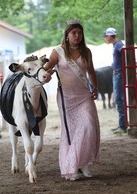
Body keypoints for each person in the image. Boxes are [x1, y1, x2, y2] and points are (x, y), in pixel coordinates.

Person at [45, 20, 100, 181]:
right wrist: (45, 76)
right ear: (67, 36)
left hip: (84, 96)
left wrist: (95, 88)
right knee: (71, 132)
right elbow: (47, 69)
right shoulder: (57, 52)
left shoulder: (87, 52)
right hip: (66, 98)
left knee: (88, 126)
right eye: (74, 33)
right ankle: (72, 166)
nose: (77, 36)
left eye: (79, 33)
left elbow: (91, 72)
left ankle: (83, 162)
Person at [104, 28, 127, 134]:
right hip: (117, 73)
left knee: (119, 99)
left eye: (106, 36)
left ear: (109, 36)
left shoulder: (118, 45)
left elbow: (126, 54)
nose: (105, 38)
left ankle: (123, 126)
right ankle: (122, 124)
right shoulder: (116, 45)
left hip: (119, 74)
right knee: (118, 99)